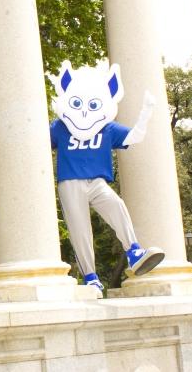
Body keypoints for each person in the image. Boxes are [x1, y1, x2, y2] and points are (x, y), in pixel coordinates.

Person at [49, 61, 165, 296]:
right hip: (70, 181)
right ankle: (90, 277)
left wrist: (145, 113)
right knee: (80, 229)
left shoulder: (107, 128)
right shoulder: (61, 127)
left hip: (97, 182)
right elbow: (39, 140)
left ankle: (133, 251)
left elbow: (134, 137)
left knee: (117, 205)